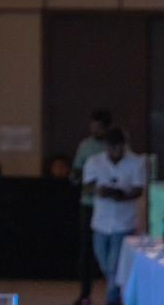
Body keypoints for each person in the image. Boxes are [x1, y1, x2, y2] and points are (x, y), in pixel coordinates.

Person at [83, 127, 145, 305]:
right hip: (100, 221)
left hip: (123, 221)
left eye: (119, 147)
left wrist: (121, 195)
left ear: (124, 145)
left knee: (114, 264)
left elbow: (138, 189)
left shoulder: (136, 162)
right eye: (112, 147)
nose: (116, 151)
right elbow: (86, 186)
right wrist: (100, 190)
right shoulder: (95, 161)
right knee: (103, 261)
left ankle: (111, 300)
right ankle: (117, 292)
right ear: (107, 146)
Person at [72, 108, 111, 304]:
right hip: (89, 204)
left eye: (99, 127)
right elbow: (76, 172)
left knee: (108, 252)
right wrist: (82, 177)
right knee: (86, 250)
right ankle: (85, 294)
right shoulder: (85, 146)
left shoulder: (113, 146)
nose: (95, 130)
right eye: (92, 127)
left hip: (110, 206)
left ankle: (113, 292)